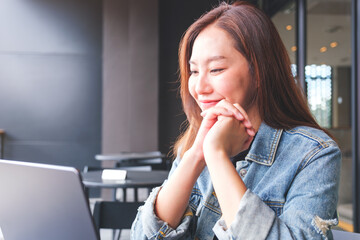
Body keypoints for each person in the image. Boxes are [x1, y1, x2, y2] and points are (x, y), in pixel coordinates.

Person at [131, 1, 341, 239]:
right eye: (194, 71)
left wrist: (217, 155)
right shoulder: (194, 145)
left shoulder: (314, 153)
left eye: (216, 69)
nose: (199, 88)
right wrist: (197, 155)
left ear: (260, 72)